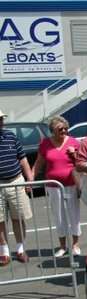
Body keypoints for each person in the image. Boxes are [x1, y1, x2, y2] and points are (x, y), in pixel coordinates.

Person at [31, 116, 82, 257]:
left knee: (74, 214)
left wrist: (74, 154)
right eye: (60, 129)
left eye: (66, 128)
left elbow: (80, 163)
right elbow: (38, 164)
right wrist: (29, 180)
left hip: (71, 184)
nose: (64, 131)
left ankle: (75, 245)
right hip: (53, 186)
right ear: (53, 130)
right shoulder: (45, 143)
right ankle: (62, 246)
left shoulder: (73, 142)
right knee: (59, 216)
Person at [0, 109, 34, 265]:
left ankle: (20, 250)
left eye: (1, 119)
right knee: (0, 220)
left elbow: (23, 159)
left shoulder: (11, 136)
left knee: (18, 218)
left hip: (16, 181)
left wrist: (29, 180)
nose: (0, 122)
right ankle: (4, 252)